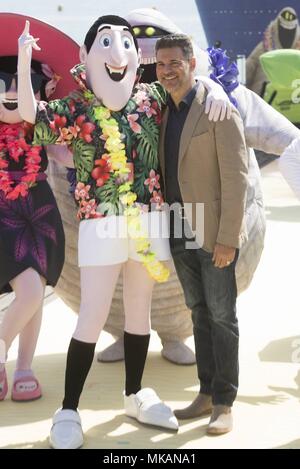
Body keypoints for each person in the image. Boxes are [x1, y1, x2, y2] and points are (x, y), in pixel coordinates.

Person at [18, 15, 231, 449]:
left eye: (126, 43)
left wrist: (219, 90)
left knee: (140, 313)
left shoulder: (151, 97)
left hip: (151, 221)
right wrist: (24, 61)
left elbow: (191, 83)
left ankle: (135, 393)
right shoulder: (76, 107)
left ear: (138, 57)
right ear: (86, 56)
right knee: (92, 316)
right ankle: (69, 409)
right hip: (100, 222)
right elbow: (30, 113)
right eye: (106, 42)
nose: (118, 52)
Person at [155, 33, 249, 435]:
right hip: (178, 226)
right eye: (160, 65)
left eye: (175, 63)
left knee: (222, 316)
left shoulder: (217, 108)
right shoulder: (162, 109)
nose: (167, 71)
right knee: (199, 313)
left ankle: (225, 401)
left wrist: (228, 237)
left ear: (193, 64)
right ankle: (206, 392)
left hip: (212, 232)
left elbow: (237, 176)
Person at [0, 13, 78, 403]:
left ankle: (24, 367)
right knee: (28, 290)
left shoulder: (40, 125)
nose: (13, 91)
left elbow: (66, 157)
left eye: (23, 82)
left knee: (35, 285)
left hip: (40, 212)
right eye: (4, 83)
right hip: (2, 218)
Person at [246, 7, 300, 96]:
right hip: (263, 103)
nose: (286, 34)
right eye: (283, 30)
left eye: (290, 31)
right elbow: (248, 70)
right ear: (276, 27)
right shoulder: (263, 49)